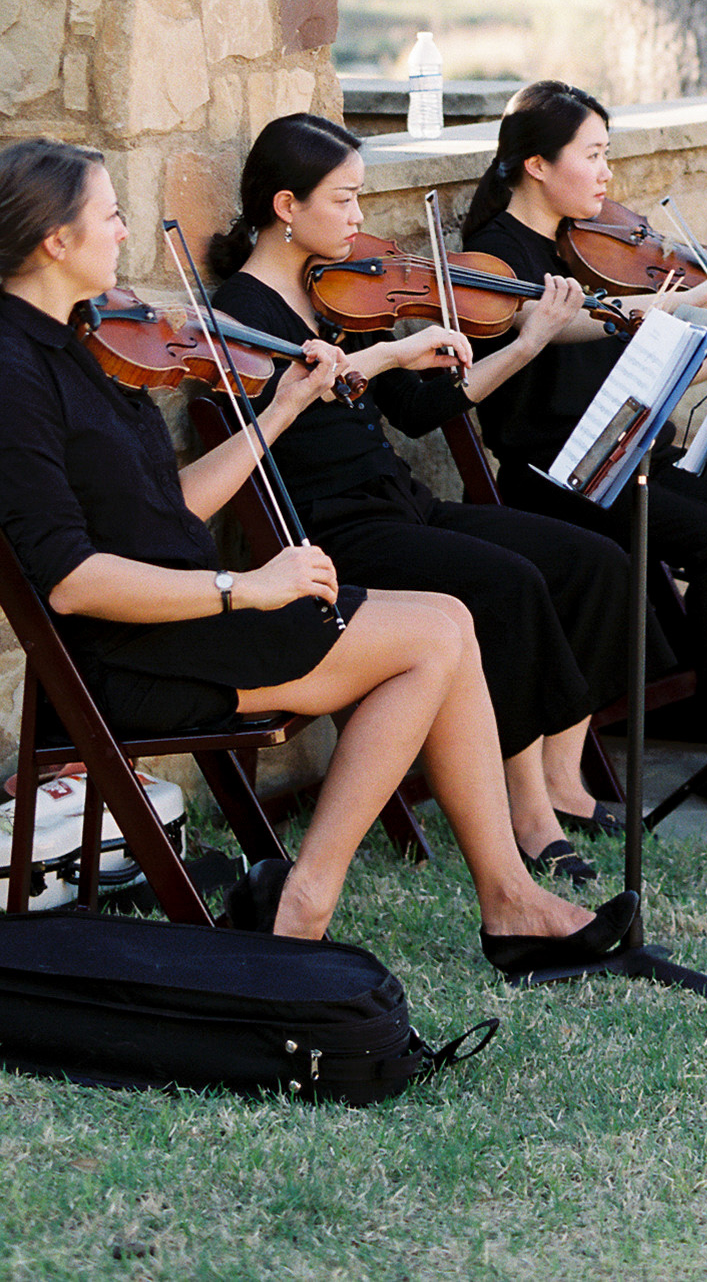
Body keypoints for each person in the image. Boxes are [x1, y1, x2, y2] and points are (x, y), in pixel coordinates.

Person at [0, 135, 634, 975]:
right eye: (111, 215)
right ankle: (318, 902)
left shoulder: (83, 341)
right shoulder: (9, 379)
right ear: (56, 240)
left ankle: (502, 899)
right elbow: (74, 583)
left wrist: (279, 410)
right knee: (437, 634)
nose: (124, 232)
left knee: (447, 622)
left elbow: (170, 505)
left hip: (183, 614)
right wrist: (248, 584)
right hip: (137, 652)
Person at [206, 111, 641, 881]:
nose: (358, 217)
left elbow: (420, 408)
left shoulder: (334, 297)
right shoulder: (240, 314)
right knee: (506, 583)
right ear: (285, 206)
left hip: (399, 502)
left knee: (588, 558)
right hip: (336, 530)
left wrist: (527, 341)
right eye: (342, 200)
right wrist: (384, 352)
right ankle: (529, 815)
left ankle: (559, 781)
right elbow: (290, 393)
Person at [458, 79, 707, 815]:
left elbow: (642, 368)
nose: (605, 174)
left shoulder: (582, 248)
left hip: (627, 454)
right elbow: (569, 324)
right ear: (535, 163)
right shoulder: (495, 259)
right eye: (591, 155)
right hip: (558, 473)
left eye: (606, 155)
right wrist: (677, 301)